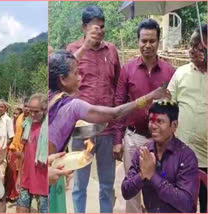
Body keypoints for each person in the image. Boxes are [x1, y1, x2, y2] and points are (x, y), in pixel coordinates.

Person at [48, 50, 170, 212]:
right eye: (76, 73)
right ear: (62, 79)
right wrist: (150, 96)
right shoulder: (73, 106)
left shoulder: (49, 98)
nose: (80, 78)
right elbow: (115, 113)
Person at [113, 18, 175, 213]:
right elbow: (119, 105)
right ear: (138, 41)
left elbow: (175, 106)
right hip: (134, 138)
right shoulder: (127, 69)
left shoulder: (170, 72)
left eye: (152, 41)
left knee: (160, 185)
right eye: (144, 41)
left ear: (159, 41)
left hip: (162, 142)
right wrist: (117, 139)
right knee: (133, 188)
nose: (147, 45)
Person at [66, 5, 121, 212]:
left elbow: (118, 92)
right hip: (82, 130)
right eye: (94, 27)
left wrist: (118, 136)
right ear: (84, 27)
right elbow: (63, 78)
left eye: (102, 27)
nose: (99, 31)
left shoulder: (112, 50)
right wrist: (86, 46)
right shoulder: (73, 50)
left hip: (106, 130)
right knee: (80, 185)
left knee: (107, 185)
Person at [121, 101, 198, 213]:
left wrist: (152, 176)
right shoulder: (143, 153)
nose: (153, 126)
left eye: (160, 121)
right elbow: (126, 192)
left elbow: (186, 204)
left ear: (174, 125)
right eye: (151, 121)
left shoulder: (186, 157)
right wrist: (142, 175)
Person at [168, 24, 207, 213]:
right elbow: (167, 107)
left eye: (198, 47)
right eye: (191, 46)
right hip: (182, 158)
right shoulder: (180, 73)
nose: (191, 51)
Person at [16, 93, 48, 213]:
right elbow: (24, 152)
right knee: (20, 209)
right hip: (27, 177)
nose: (32, 115)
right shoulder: (27, 124)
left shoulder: (49, 127)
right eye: (30, 111)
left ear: (45, 110)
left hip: (44, 180)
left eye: (36, 111)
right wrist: (19, 177)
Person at [6, 99, 30, 201]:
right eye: (25, 106)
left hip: (27, 150)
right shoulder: (20, 118)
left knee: (24, 173)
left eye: (28, 107)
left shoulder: (33, 119)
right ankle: (12, 194)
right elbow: (15, 133)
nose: (26, 109)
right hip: (15, 148)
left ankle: (23, 196)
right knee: (12, 172)